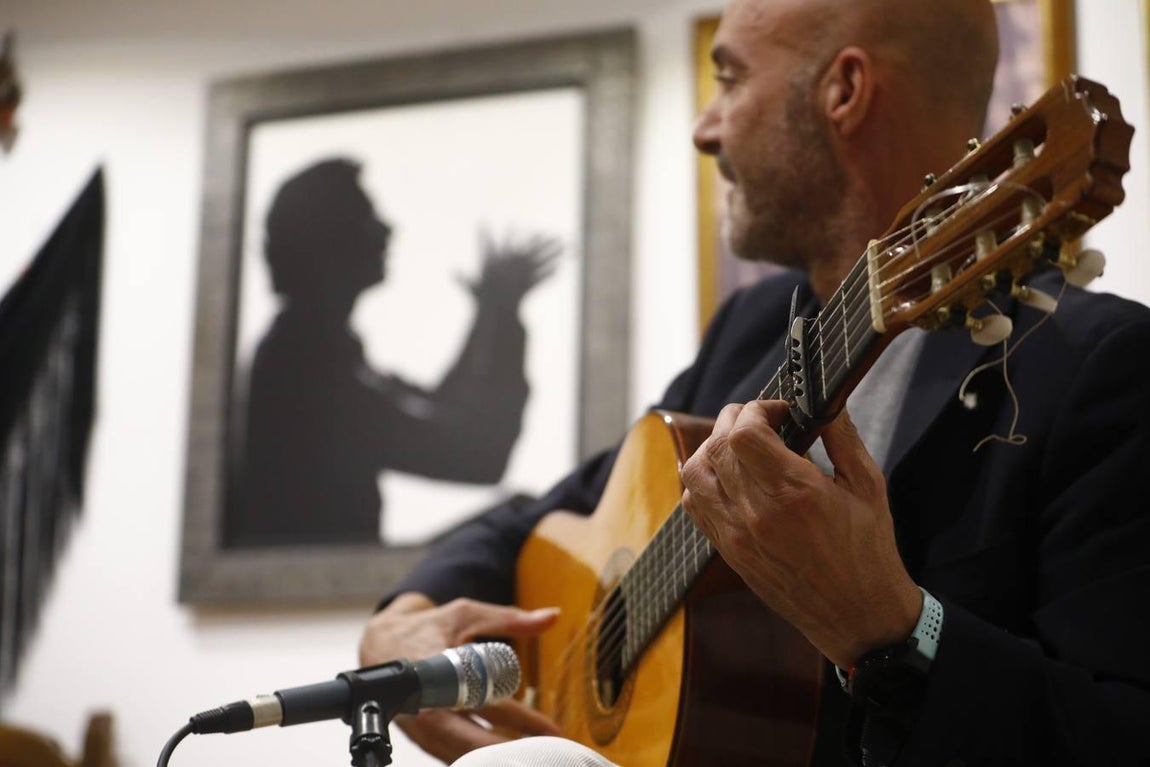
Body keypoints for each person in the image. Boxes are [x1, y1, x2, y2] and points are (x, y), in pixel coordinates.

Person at [359, 0, 1150, 764]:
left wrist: (896, 632)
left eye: (729, 78)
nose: (705, 127)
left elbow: (1118, 732)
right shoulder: (754, 326)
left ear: (844, 91)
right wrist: (405, 616)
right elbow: (550, 514)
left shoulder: (1099, 368)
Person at [223, 158, 559, 548]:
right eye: (365, 218)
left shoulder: (314, 351)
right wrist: (499, 313)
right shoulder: (301, 366)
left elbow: (443, 410)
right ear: (324, 244)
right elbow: (476, 454)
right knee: (522, 515)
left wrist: (493, 313)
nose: (386, 229)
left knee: (520, 513)